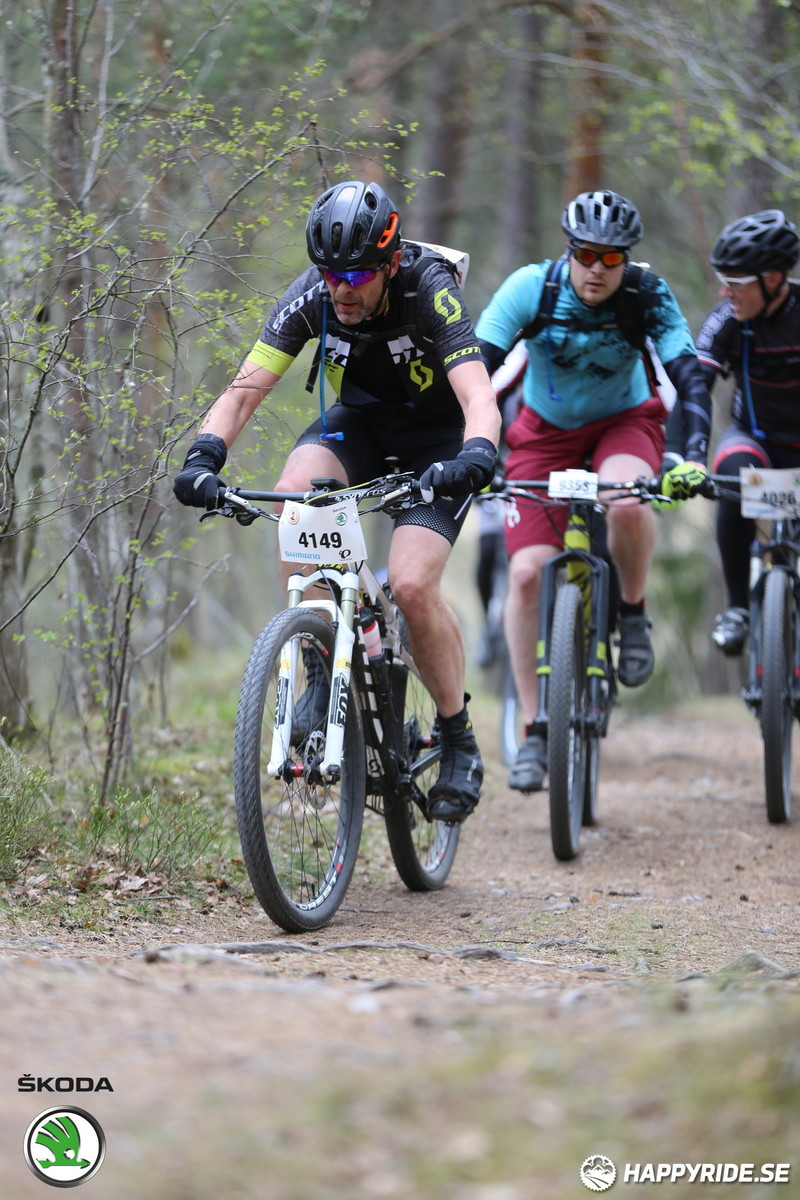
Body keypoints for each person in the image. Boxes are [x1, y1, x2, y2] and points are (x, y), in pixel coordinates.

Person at [173, 179, 501, 824]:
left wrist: (477, 455)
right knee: (295, 493)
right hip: (362, 428)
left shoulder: (428, 286)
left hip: (438, 440)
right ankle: (322, 658)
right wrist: (203, 456)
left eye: (356, 273)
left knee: (409, 583)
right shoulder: (311, 297)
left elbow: (479, 399)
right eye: (330, 274)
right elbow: (242, 393)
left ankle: (458, 735)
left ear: (390, 262)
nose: (342, 288)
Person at [475, 189, 712, 793]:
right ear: (569, 251)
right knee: (525, 575)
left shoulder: (646, 293)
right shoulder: (533, 287)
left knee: (628, 501)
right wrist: (473, 451)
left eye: (613, 258)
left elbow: (687, 370)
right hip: (544, 433)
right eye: (587, 255)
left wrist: (692, 454)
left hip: (623, 422)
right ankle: (534, 729)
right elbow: (476, 365)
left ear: (626, 260)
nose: (598, 269)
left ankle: (631, 614)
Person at [661, 209, 800, 657]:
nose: (724, 292)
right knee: (731, 469)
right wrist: (681, 457)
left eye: (736, 282)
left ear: (774, 278)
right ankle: (738, 607)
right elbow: (694, 387)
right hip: (756, 442)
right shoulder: (727, 319)